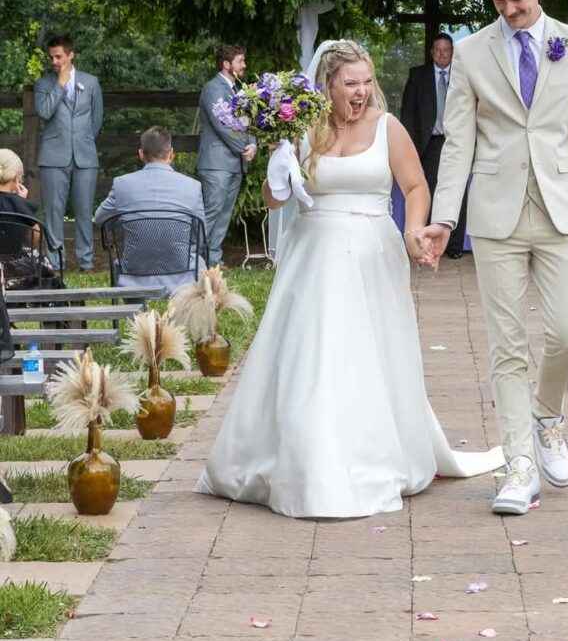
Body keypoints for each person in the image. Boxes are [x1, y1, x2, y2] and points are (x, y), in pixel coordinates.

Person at [195, 40, 503, 518]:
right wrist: (277, 168)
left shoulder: (387, 127)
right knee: (312, 354)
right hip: (312, 256)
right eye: (350, 83)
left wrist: (413, 231)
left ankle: (371, 455)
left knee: (364, 354)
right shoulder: (300, 129)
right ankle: (304, 462)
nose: (360, 92)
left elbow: (416, 186)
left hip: (370, 254)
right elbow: (276, 200)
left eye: (366, 82)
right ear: (328, 85)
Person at [421, 0, 568, 516]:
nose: (509, 11)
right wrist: (443, 217)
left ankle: (547, 417)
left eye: (518, 0)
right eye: (499, 2)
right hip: (495, 214)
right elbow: (457, 143)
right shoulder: (471, 53)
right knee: (507, 346)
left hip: (560, 209)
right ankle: (519, 465)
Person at [94, 127, 206, 295]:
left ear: (141, 154)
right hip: (184, 278)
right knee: (199, 259)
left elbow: (100, 219)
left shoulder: (122, 184)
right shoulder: (193, 187)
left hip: (132, 276)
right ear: (171, 153)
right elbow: (201, 236)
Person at [33, 36, 103, 272]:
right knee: (54, 212)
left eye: (59, 56)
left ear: (71, 55)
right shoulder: (43, 84)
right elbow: (44, 112)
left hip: (85, 155)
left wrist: (83, 140)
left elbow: (97, 119)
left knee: (84, 211)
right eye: (51, 57)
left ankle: (86, 261)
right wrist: (60, 84)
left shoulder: (91, 82)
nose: (54, 61)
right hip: (53, 156)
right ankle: (55, 263)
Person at [400, 33, 468, 258]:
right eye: (437, 50)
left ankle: (455, 247)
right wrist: (409, 146)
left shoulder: (462, 75)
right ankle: (428, 243)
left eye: (446, 50)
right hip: (428, 143)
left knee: (457, 192)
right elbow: (408, 112)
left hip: (455, 142)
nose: (441, 54)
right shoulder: (418, 76)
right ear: (431, 52)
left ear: (452, 53)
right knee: (427, 191)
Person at [197, 44, 257, 267]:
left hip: (234, 163)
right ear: (226, 64)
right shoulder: (212, 89)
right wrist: (244, 148)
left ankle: (214, 260)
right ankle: (194, 260)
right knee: (211, 213)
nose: (244, 65)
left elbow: (248, 121)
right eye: (240, 61)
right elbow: (223, 126)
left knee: (224, 215)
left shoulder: (238, 90)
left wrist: (253, 145)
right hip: (216, 163)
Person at [0, 149, 58, 283]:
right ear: (16, 177)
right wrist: (22, 204)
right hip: (14, 269)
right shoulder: (21, 206)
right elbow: (35, 241)